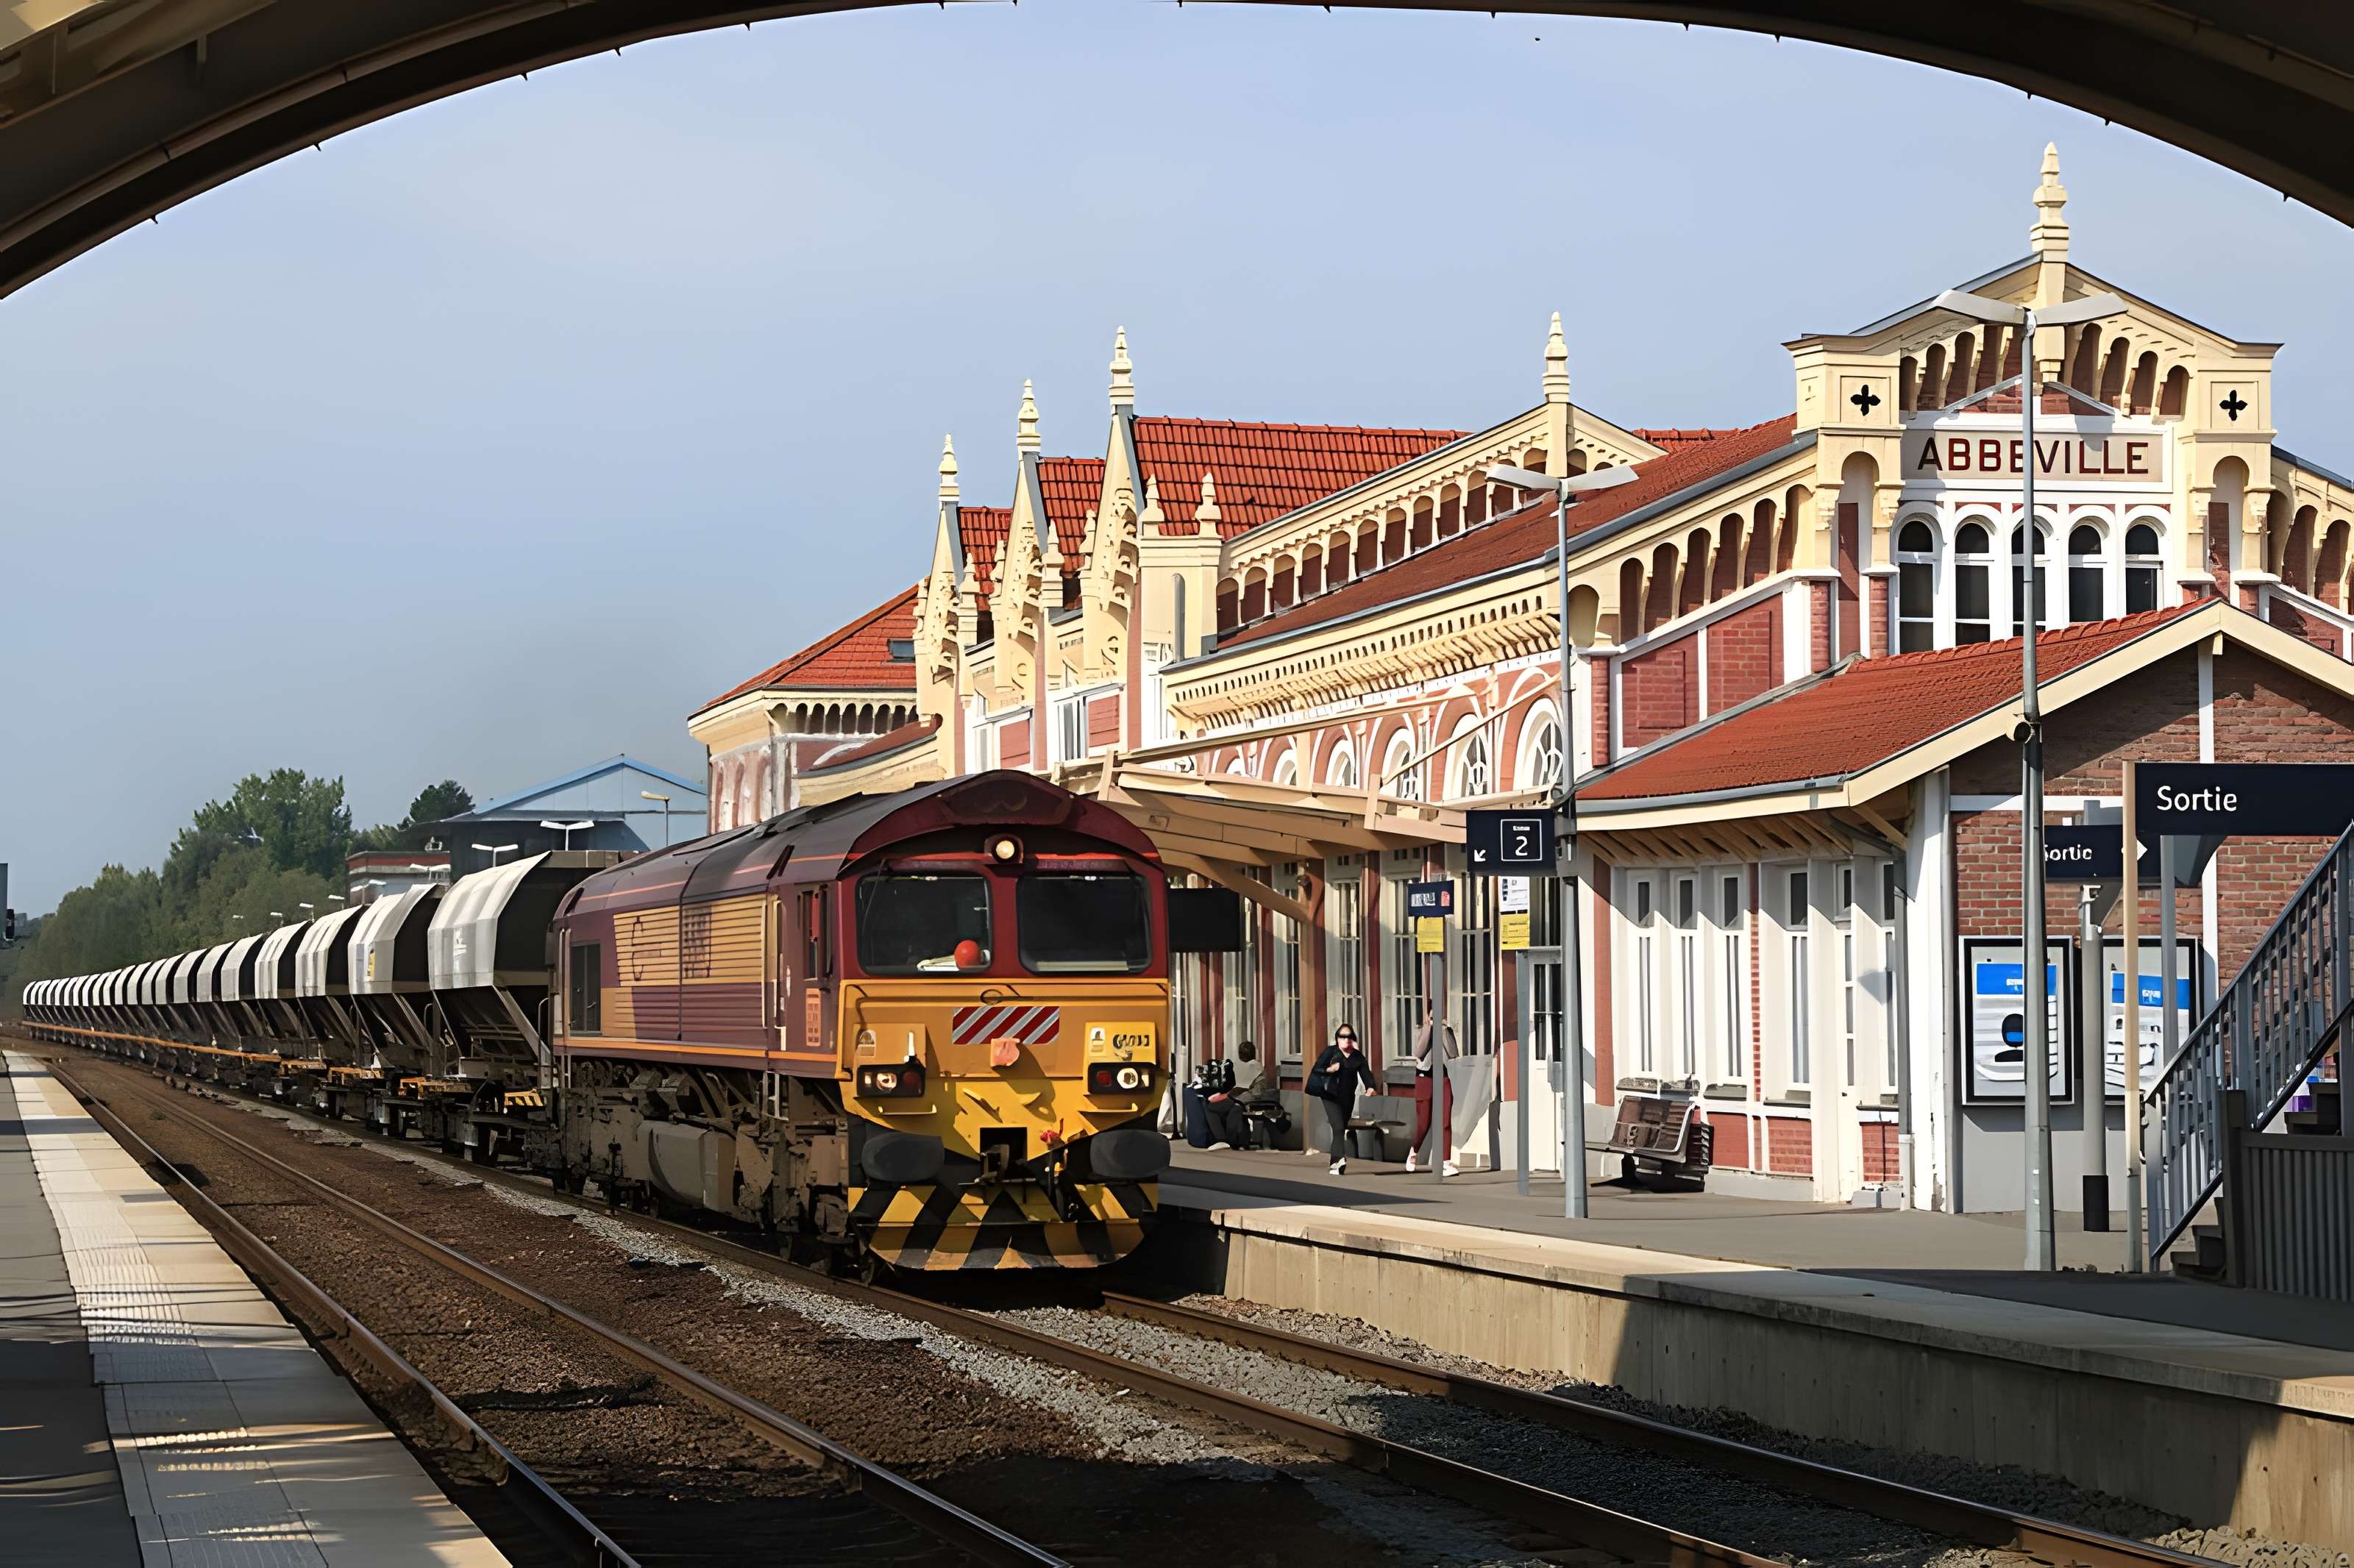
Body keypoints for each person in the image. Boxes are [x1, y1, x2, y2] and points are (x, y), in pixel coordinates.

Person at [1306, 1025, 1376, 1175]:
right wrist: (1329, 1070)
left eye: (1349, 1037)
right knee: (1337, 1127)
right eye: (1342, 1037)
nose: (1346, 1040)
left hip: (1347, 1097)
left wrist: (1370, 1087)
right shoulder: (1330, 1053)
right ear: (1337, 1039)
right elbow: (1316, 1069)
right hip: (1330, 1095)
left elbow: (1365, 1072)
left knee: (1340, 1128)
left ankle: (1334, 1163)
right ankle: (1339, 1160)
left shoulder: (1357, 1056)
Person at [1406, 1009, 1460, 1177]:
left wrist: (1443, 1029)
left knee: (1445, 1121)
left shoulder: (1447, 1031)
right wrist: (1429, 1027)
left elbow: (1453, 1053)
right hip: (1424, 1079)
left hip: (1442, 1078)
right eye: (1432, 1015)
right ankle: (1414, 1151)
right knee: (1424, 1124)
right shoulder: (1419, 1030)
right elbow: (1419, 1052)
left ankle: (1445, 1162)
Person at [1202, 1043, 1256, 1150]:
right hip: (1240, 1099)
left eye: (1242, 1052)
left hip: (1244, 1099)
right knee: (1233, 1110)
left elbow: (1240, 1088)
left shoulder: (1251, 1066)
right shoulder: (1253, 1066)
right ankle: (1232, 1141)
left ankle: (1222, 1139)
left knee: (1209, 1106)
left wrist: (1226, 1095)